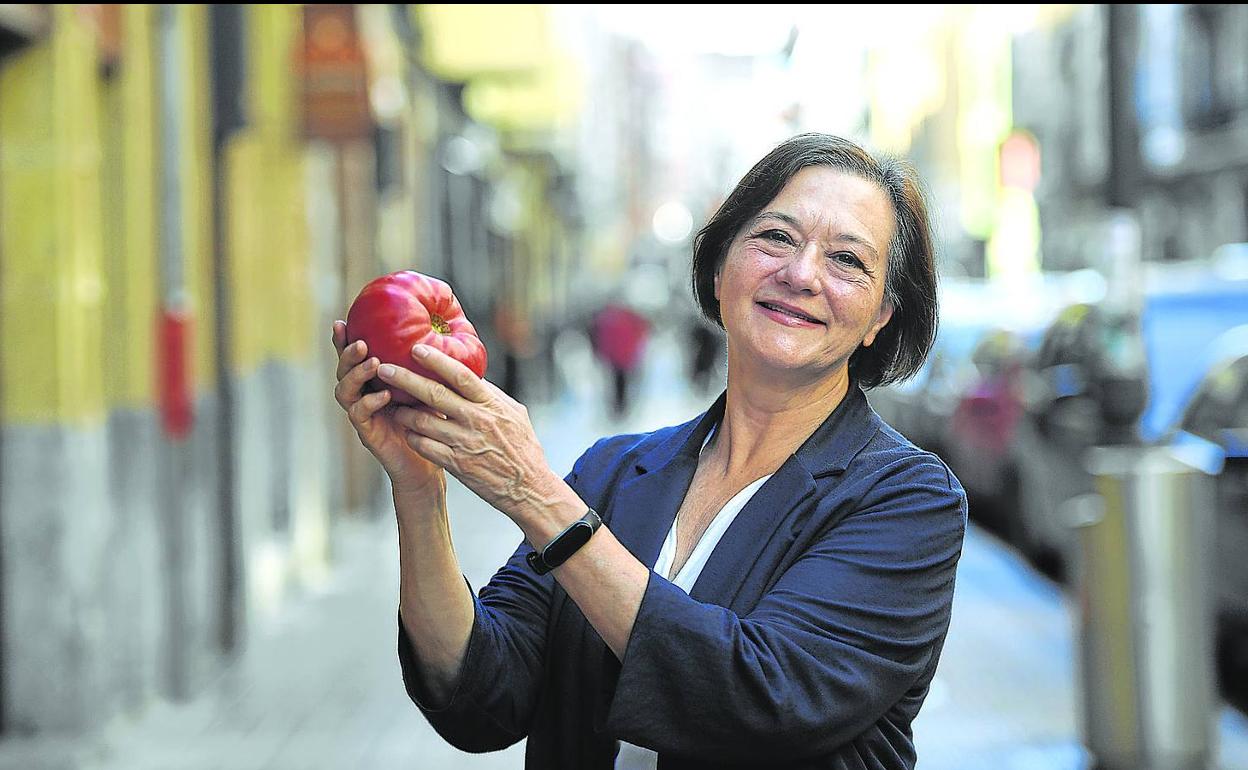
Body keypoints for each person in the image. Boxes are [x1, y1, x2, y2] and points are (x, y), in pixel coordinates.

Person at [331, 133, 966, 769]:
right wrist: (419, 488)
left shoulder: (906, 500)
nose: (801, 275)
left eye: (847, 261)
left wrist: (535, 494)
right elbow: (479, 694)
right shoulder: (612, 473)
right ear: (720, 269)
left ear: (882, 315)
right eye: (776, 237)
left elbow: (763, 702)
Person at [589, 299, 651, 419]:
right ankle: (621, 407)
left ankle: (617, 407)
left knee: (616, 382)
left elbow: (602, 339)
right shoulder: (630, 320)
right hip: (625, 357)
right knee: (622, 382)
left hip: (614, 358)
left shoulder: (607, 321)